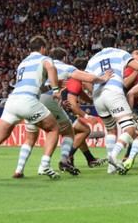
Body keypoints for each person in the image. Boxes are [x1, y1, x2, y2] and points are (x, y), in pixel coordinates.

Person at [0, 36, 62, 183]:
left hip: (12, 101)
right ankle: (45, 164)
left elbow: (34, 84)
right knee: (53, 128)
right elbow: (51, 68)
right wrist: (56, 90)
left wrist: (48, 87)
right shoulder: (44, 58)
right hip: (28, 101)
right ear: (42, 48)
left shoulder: (23, 63)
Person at [13, 48, 111, 178]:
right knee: (72, 131)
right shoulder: (64, 67)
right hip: (48, 99)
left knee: (30, 138)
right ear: (64, 58)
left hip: (30, 100)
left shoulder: (39, 63)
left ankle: (19, 170)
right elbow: (88, 79)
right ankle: (64, 160)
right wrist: (103, 78)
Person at [84, 35, 138, 174]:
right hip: (113, 93)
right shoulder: (120, 53)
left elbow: (85, 80)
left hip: (98, 97)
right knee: (130, 129)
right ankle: (113, 156)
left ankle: (111, 168)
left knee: (111, 130)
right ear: (116, 43)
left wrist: (94, 93)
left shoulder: (93, 59)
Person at [63, 57, 107, 168]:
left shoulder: (73, 80)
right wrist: (87, 116)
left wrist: (94, 100)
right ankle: (66, 158)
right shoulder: (76, 81)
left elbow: (83, 95)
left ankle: (90, 159)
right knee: (85, 130)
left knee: (79, 134)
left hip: (61, 111)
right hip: (65, 113)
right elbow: (72, 104)